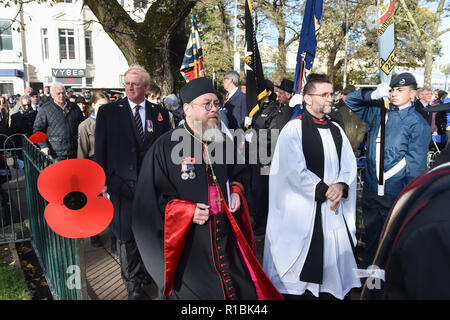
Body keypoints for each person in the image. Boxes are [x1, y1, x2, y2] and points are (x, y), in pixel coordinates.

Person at [132, 77, 283, 300]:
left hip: (226, 241)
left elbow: (238, 174)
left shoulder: (223, 141)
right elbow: (147, 203)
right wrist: (185, 211)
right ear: (187, 109)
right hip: (190, 251)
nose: (214, 109)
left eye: (216, 104)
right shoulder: (165, 147)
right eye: (207, 104)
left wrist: (235, 191)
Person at [263, 76, 360, 300]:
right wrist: (327, 190)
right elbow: (292, 170)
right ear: (308, 99)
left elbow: (348, 164)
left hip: (331, 209)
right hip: (302, 212)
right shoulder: (293, 130)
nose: (330, 99)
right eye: (324, 95)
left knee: (330, 279)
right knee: (299, 281)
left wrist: (341, 185)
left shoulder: (336, 129)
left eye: (331, 94)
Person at [94, 65, 170, 300]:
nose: (129, 87)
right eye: (127, 83)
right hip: (120, 185)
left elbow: (165, 151)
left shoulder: (160, 113)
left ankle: (147, 273)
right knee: (125, 235)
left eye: (135, 84)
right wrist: (101, 181)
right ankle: (132, 285)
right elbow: (100, 149)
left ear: (145, 87)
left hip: (150, 185)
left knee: (148, 232)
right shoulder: (108, 112)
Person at [345, 72, 431, 268]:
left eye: (400, 90)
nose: (394, 94)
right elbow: (350, 101)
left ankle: (388, 283)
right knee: (371, 238)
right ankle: (370, 281)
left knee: (392, 242)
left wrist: (409, 198)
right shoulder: (379, 112)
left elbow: (415, 166)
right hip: (371, 189)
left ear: (412, 94)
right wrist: (372, 95)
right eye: (392, 90)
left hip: (394, 192)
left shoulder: (418, 123)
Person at [361, 162, 450, 299]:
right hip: (375, 189)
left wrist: (411, 192)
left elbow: (416, 157)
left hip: (395, 188)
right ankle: (372, 286)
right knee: (375, 246)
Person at [77, 91, 109, 248]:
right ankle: (94, 234)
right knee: (93, 203)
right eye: (101, 105)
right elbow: (82, 151)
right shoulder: (85, 126)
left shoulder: (114, 123)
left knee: (111, 202)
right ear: (93, 105)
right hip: (93, 166)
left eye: (106, 105)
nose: (104, 109)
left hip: (110, 167)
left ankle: (115, 237)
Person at [33, 83, 84, 161]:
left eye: (63, 93)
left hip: (73, 151)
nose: (61, 96)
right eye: (58, 93)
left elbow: (82, 125)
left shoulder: (74, 107)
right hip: (55, 153)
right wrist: (43, 146)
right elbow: (37, 129)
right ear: (52, 95)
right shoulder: (45, 109)